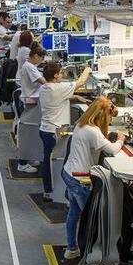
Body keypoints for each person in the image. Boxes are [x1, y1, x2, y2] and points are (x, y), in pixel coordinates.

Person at [61, 97, 123, 259]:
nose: (110, 121)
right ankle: (94, 255)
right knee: (92, 219)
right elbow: (112, 150)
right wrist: (121, 140)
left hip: (69, 174)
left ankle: (71, 249)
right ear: (103, 116)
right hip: (80, 180)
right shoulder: (93, 131)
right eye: (109, 118)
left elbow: (98, 143)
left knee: (74, 212)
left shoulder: (81, 124)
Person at [38, 61, 92, 201]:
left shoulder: (45, 87)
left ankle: (48, 190)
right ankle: (58, 193)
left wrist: (76, 97)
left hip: (45, 129)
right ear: (56, 75)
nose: (62, 75)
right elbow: (81, 82)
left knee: (48, 160)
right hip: (56, 132)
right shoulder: (59, 88)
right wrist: (88, 68)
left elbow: (59, 97)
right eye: (60, 73)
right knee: (59, 161)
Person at [15, 41, 46, 174]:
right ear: (35, 56)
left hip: (30, 101)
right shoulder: (30, 67)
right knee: (27, 136)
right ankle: (22, 164)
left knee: (31, 134)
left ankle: (29, 158)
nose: (42, 61)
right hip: (29, 103)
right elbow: (43, 82)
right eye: (41, 58)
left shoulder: (29, 65)